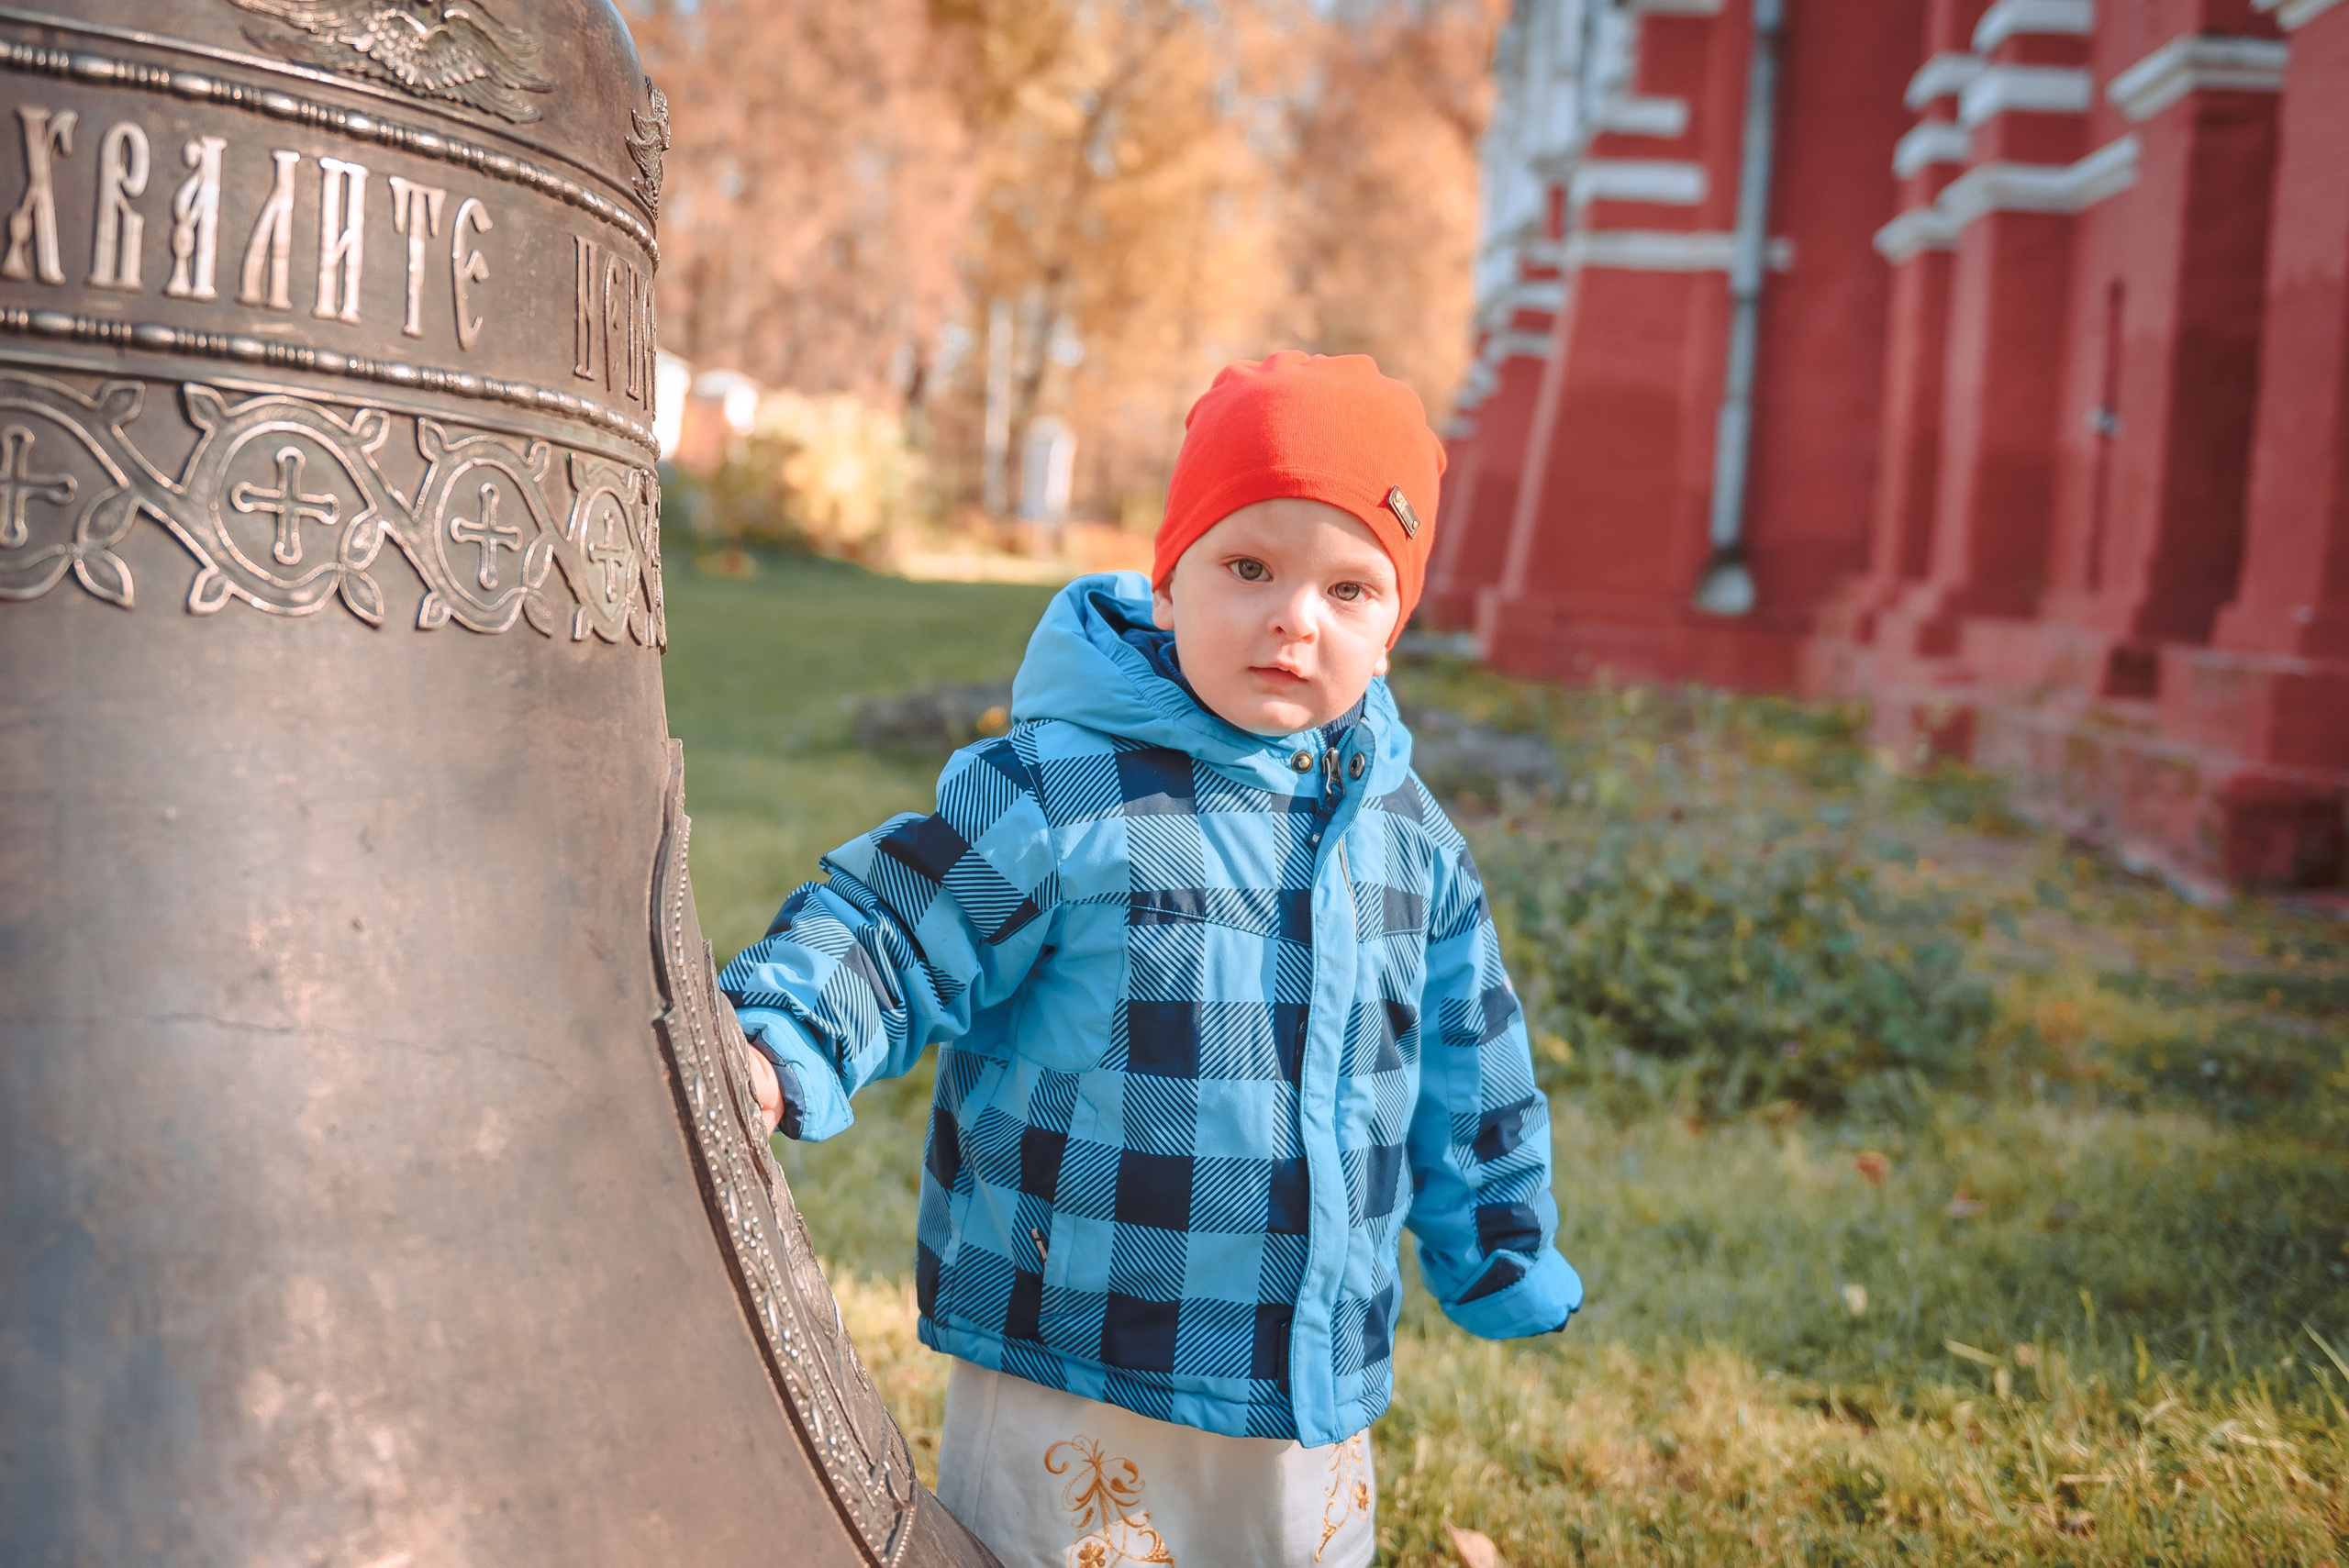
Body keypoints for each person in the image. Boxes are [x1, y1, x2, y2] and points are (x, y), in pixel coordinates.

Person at [719, 350, 1579, 1568]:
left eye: (1350, 590)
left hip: (1298, 1362)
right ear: (1167, 582)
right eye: (1250, 567)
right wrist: (780, 1034)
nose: (1294, 616)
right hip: (1082, 1348)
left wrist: (1500, 1235)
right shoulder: (1066, 791)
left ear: (1393, 632)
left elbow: (1470, 1059)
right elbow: (901, 921)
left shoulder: (1409, 842)